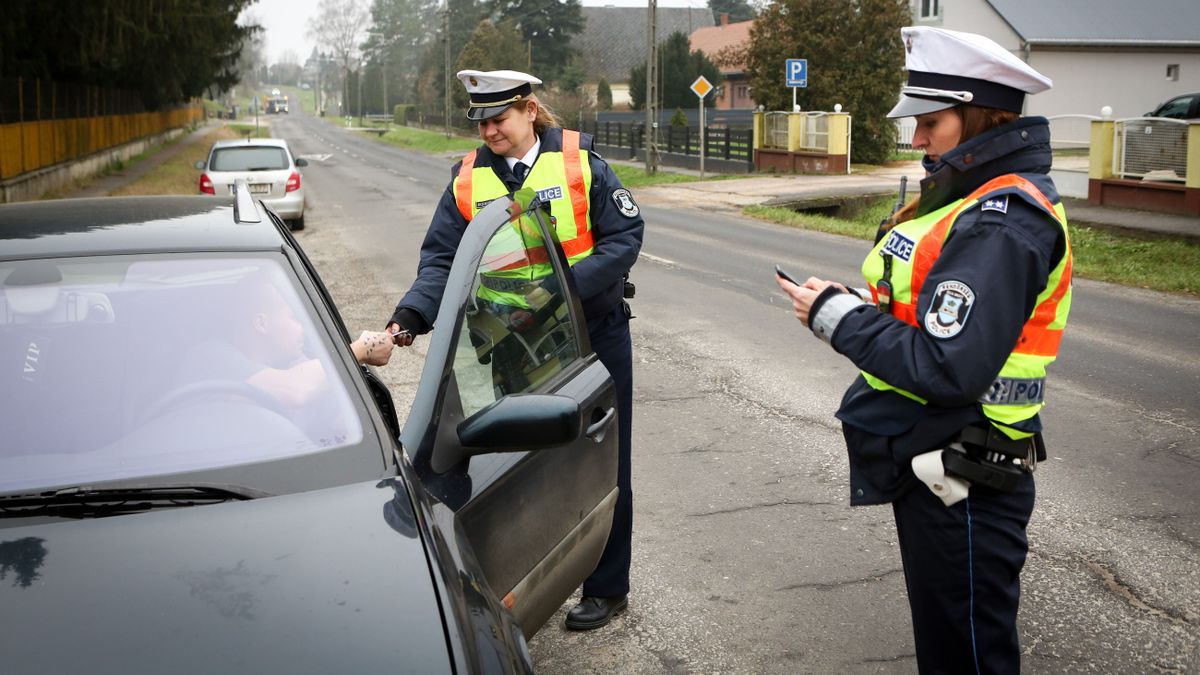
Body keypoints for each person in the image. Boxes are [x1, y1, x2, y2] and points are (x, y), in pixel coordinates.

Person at [775, 26, 1072, 673]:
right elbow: (933, 315)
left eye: (930, 122)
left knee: (964, 659)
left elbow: (949, 364)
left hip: (966, 474)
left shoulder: (1002, 219)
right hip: (947, 462)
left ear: (980, 117)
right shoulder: (971, 198)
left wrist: (837, 318)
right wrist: (853, 300)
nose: (915, 139)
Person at [385, 69, 644, 630]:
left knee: (604, 458)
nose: (489, 132)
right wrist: (407, 319)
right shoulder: (465, 180)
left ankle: (607, 587)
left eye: (499, 119)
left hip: (590, 338)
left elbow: (625, 237)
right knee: (520, 466)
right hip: (512, 347)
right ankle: (527, 576)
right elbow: (440, 262)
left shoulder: (581, 163)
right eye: (479, 122)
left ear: (530, 110)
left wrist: (562, 291)